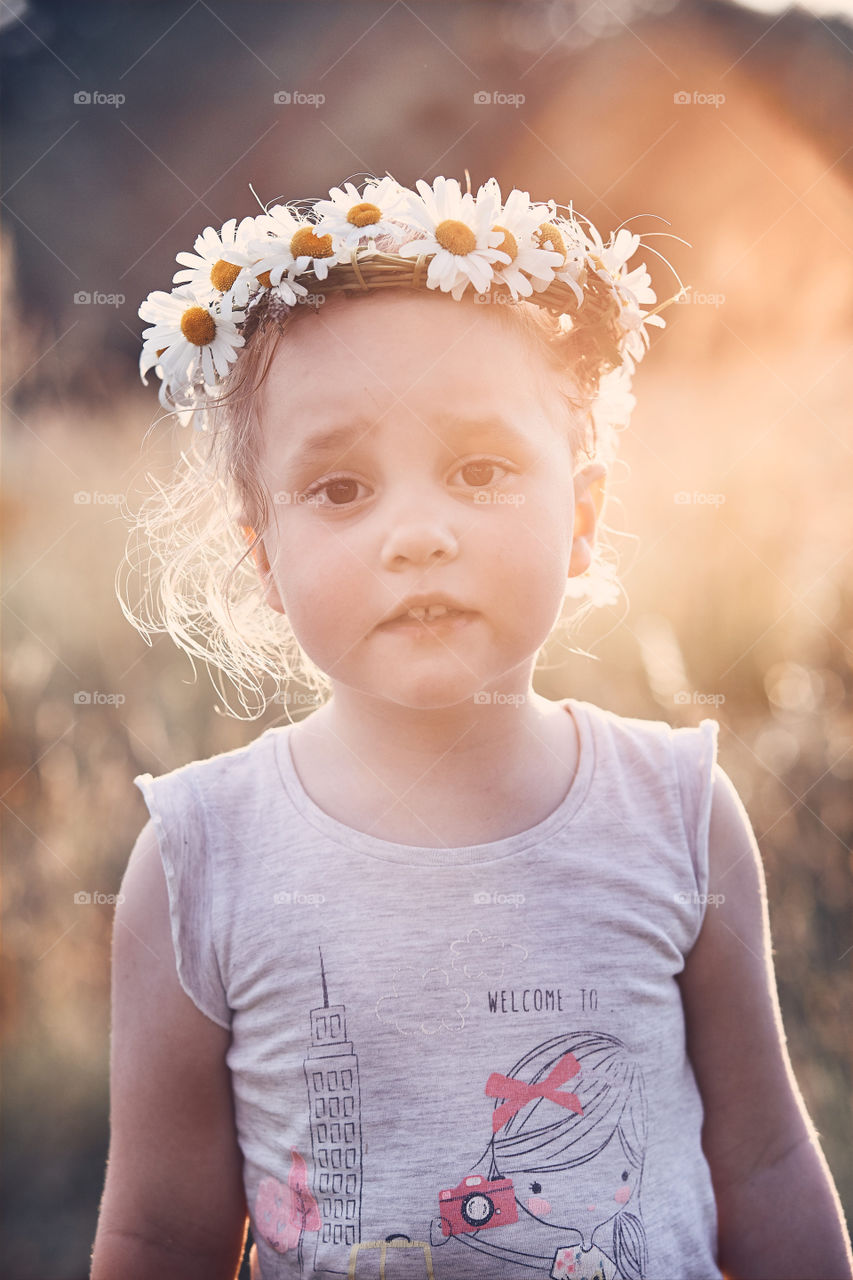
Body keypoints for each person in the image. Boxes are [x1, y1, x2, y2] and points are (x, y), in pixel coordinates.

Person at [91, 173, 852, 1280]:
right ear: (263, 554)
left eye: (479, 469)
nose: (417, 532)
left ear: (581, 515)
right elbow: (162, 1231)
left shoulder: (677, 812)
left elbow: (767, 1162)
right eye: (342, 486)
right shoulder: (201, 857)